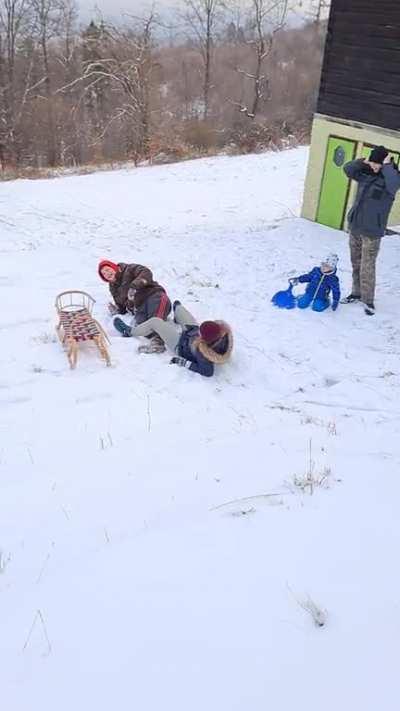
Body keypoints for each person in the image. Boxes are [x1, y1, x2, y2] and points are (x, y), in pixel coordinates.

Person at [342, 146, 400, 315]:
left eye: (377, 164)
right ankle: (356, 292)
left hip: (372, 232)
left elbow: (395, 184)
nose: (374, 167)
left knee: (367, 266)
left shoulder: (391, 179)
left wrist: (387, 166)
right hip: (356, 227)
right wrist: (363, 162)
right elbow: (348, 169)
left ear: (384, 162)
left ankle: (368, 300)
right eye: (372, 163)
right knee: (356, 263)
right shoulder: (365, 174)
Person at [113, 301, 233, 377]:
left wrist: (182, 362)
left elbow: (207, 372)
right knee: (178, 306)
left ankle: (129, 332)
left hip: (180, 345)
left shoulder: (204, 354)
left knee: (155, 322)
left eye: (201, 334)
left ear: (204, 340)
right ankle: (178, 315)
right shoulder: (223, 335)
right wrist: (197, 331)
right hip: (192, 332)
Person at [98, 260, 171, 352]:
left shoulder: (129, 269)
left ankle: (158, 343)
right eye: (104, 274)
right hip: (140, 307)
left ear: (114, 267)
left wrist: (134, 286)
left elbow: (146, 272)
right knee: (141, 325)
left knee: (155, 318)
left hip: (154, 296)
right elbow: (121, 305)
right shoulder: (113, 287)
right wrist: (117, 310)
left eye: (108, 270)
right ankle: (136, 333)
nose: (107, 274)